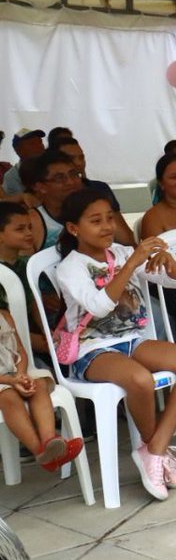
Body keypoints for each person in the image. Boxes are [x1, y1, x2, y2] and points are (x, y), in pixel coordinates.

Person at [56, 188, 176, 500]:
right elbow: (98, 307)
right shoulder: (71, 267)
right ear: (74, 228)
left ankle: (154, 449)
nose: (107, 226)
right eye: (95, 221)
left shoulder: (123, 253)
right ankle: (155, 451)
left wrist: (168, 262)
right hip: (91, 349)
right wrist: (132, 261)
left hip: (132, 340)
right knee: (139, 379)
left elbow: (170, 281)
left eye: (110, 218)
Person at [0, 299, 83, 472]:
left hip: (14, 372)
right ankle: (40, 452)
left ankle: (49, 440)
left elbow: (21, 351)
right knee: (8, 396)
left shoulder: (4, 316)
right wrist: (9, 381)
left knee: (38, 384)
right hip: (3, 381)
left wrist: (20, 376)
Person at [52, 137, 136, 245]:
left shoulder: (100, 189)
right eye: (71, 159)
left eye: (81, 157)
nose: (78, 163)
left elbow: (127, 239)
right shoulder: (39, 207)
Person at [0, 202, 50, 358]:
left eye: (30, 227)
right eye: (20, 229)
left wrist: (46, 332)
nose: (29, 233)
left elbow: (34, 303)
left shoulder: (27, 264)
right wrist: (28, 339)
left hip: (30, 332)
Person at [27, 151, 84, 252]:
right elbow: (25, 266)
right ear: (40, 186)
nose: (70, 182)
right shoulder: (32, 222)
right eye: (60, 178)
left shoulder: (93, 211)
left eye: (73, 174)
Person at [3, 128, 45, 202]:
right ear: (18, 150)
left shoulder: (53, 167)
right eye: (32, 144)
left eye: (40, 142)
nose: (39, 146)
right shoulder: (12, 176)